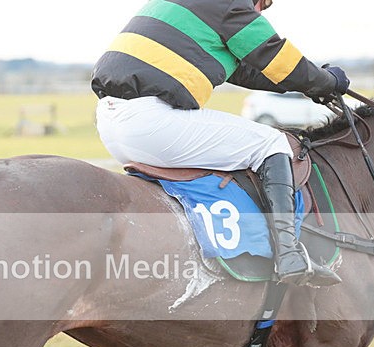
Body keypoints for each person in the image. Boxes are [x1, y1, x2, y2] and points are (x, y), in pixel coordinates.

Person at [91, 0, 348, 286]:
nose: (258, 12)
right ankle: (289, 255)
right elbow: (274, 55)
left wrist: (309, 86)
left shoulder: (189, 9)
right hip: (152, 123)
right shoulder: (230, 4)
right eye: (262, 5)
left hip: (111, 122)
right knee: (272, 143)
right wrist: (328, 80)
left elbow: (247, 70)